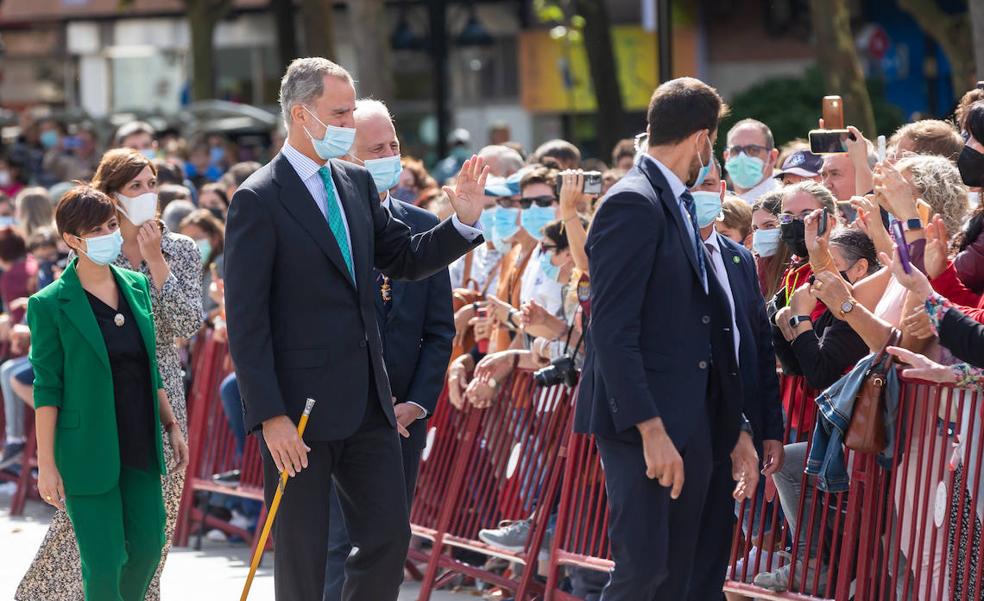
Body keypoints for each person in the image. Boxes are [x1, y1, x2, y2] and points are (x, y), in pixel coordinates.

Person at [223, 57, 485, 601]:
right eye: (339, 113)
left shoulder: (356, 183)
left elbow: (406, 258)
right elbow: (246, 320)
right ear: (301, 114)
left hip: (369, 403)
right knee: (303, 554)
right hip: (300, 413)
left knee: (388, 538)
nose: (349, 122)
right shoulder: (257, 198)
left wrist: (461, 223)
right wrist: (269, 416)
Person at [575, 76, 759, 600]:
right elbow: (611, 327)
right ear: (702, 138)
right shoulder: (632, 202)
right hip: (647, 426)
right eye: (716, 141)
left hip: (692, 422)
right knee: (643, 572)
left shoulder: (673, 202)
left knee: (680, 576)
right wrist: (650, 429)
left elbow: (704, 324)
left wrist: (734, 424)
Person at [18, 148, 203, 601]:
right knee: (101, 561)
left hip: (145, 429)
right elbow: (48, 385)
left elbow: (159, 351)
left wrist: (171, 423)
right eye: (95, 231)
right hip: (88, 445)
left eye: (107, 228)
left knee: (147, 550)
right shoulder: (51, 301)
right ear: (72, 240)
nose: (106, 237)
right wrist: (47, 463)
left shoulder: (144, 277)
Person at [323, 98, 455, 601]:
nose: (388, 157)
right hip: (344, 416)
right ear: (348, 159)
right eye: (375, 149)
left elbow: (439, 330)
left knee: (386, 543)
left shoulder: (422, 227)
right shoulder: (329, 227)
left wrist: (416, 403)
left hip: (402, 419)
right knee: (339, 543)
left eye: (393, 146)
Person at [178, 209, 225, 316]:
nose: (191, 245)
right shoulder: (193, 269)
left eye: (196, 238)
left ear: (214, 238)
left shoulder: (222, 263)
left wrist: (207, 319)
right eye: (186, 241)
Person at [723, 119, 780, 203]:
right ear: (726, 157)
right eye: (735, 150)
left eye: (753, 150)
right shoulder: (721, 205)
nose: (742, 157)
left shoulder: (784, 202)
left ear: (772, 157)